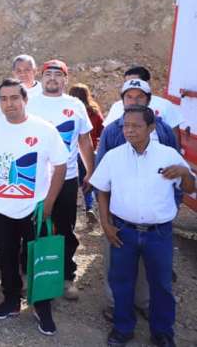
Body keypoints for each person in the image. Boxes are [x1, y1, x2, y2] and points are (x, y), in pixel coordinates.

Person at [90, 105, 195, 347]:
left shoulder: (168, 155)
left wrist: (185, 172)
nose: (129, 130)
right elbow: (101, 190)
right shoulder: (114, 156)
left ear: (151, 127)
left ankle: (162, 332)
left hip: (159, 234)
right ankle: (122, 328)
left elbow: (189, 188)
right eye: (125, 125)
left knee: (161, 285)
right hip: (122, 231)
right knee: (121, 282)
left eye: (136, 126)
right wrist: (105, 223)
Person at [0, 78, 68, 336]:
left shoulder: (45, 129)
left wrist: (48, 202)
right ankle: (11, 300)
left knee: (39, 257)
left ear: (25, 100)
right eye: (3, 98)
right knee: (7, 256)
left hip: (35, 208)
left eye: (14, 98)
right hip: (0, 207)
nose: (9, 103)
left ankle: (42, 306)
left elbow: (61, 165)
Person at [96, 79, 179, 325]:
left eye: (139, 97)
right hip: (122, 219)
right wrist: (106, 221)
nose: (133, 101)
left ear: (148, 101)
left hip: (156, 221)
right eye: (128, 97)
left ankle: (146, 307)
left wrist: (170, 206)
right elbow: (102, 177)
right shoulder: (113, 131)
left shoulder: (163, 131)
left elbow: (176, 171)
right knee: (118, 271)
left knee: (154, 275)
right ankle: (118, 312)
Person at [27, 60, 95, 300]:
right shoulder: (30, 103)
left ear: (65, 79)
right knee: (32, 227)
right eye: (48, 74)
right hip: (36, 180)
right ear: (41, 77)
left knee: (65, 228)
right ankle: (30, 275)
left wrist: (90, 171)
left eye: (58, 74)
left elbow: (84, 140)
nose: (52, 78)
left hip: (67, 177)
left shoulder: (75, 105)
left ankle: (67, 277)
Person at [102, 66, 183, 139]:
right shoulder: (116, 106)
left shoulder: (165, 105)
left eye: (135, 82)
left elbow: (174, 138)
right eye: (127, 83)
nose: (131, 85)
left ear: (148, 83)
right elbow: (106, 136)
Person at [69, 83, 104, 222]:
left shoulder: (69, 109)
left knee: (70, 183)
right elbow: (102, 130)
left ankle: (70, 208)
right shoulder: (94, 111)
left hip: (72, 152)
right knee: (87, 181)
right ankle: (89, 206)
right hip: (89, 152)